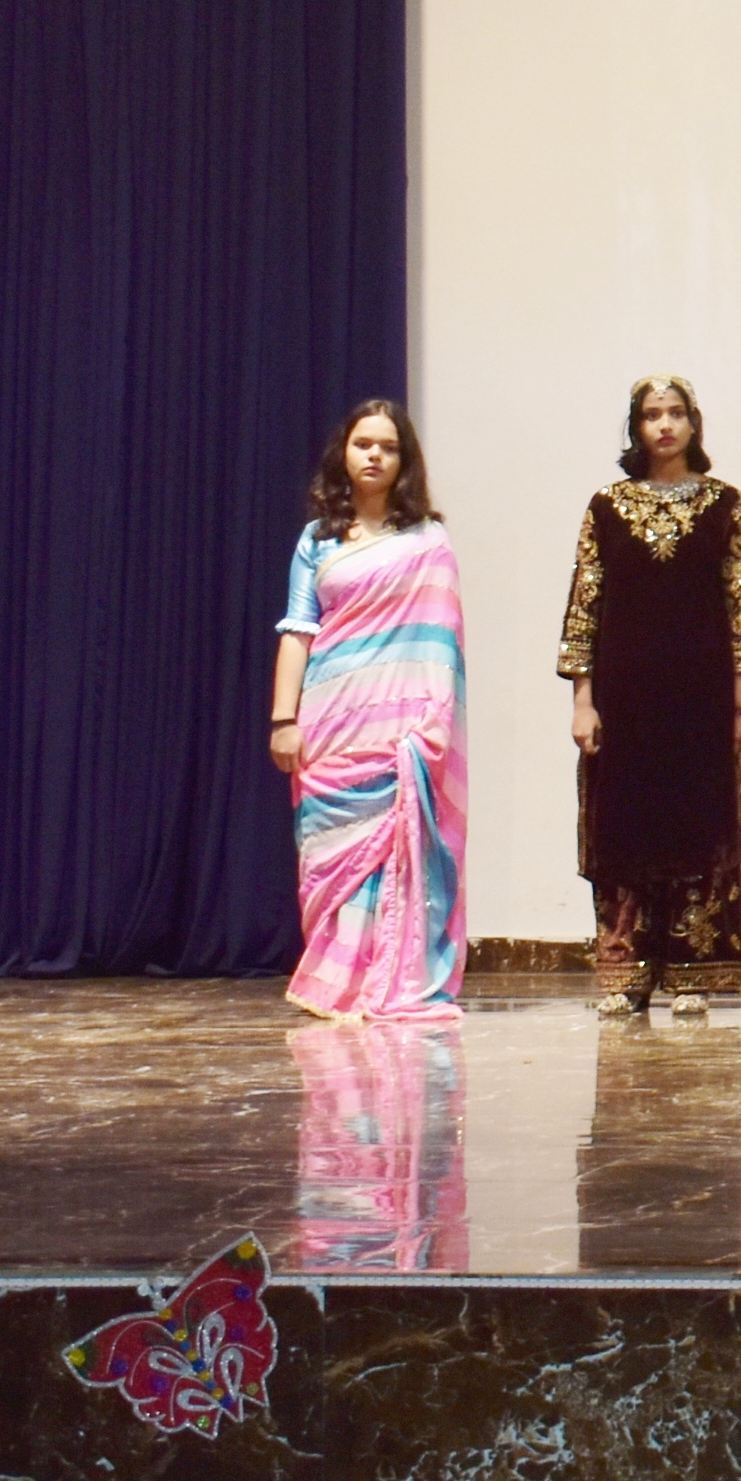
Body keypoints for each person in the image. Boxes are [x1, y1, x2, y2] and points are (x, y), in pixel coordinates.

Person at [556, 376, 741, 1020]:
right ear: (636, 427)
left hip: (701, 700)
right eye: (652, 415)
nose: (665, 425)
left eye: (676, 413)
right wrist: (583, 700)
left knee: (699, 825)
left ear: (694, 423)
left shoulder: (726, 505)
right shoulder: (606, 507)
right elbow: (584, 607)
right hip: (624, 701)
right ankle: (628, 973)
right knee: (624, 827)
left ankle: (693, 973)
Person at [271, 399, 467, 1018]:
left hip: (401, 729)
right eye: (363, 444)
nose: (375, 456)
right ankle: (336, 980)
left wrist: (430, 723)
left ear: (405, 461)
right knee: (329, 854)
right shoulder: (318, 540)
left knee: (395, 848)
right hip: (330, 721)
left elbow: (440, 641)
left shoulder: (428, 542)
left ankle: (390, 980)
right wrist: (283, 719)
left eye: (388, 446)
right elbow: (298, 630)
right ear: (344, 454)